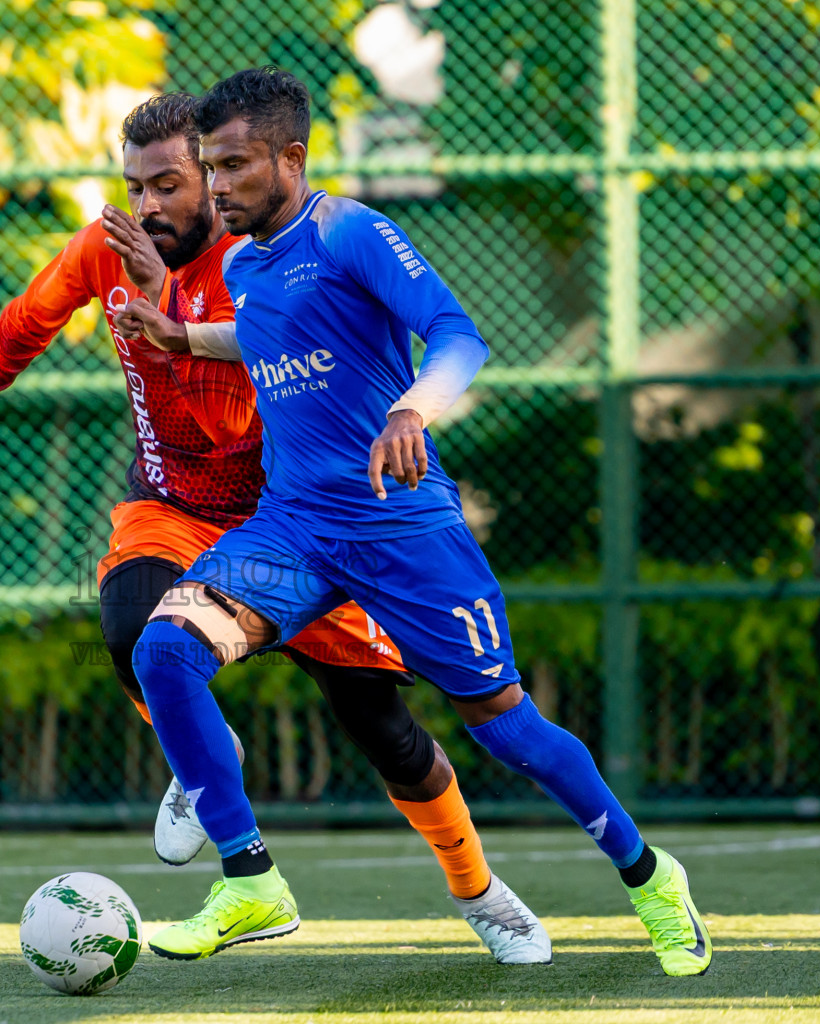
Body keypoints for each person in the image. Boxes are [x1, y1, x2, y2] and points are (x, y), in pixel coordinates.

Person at [0, 93, 551, 964]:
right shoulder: (107, 250)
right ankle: (213, 791)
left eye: (172, 184)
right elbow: (25, 324)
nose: (149, 206)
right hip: (173, 506)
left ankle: (482, 894)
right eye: (135, 186)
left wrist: (168, 311)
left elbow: (228, 426)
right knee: (130, 630)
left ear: (217, 182)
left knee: (386, 732)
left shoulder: (264, 267)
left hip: (300, 521)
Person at [123, 68, 712, 975]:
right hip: (296, 529)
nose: (221, 184)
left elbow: (458, 333)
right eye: (211, 165)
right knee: (163, 652)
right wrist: (184, 338)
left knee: (509, 730)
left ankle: (648, 875)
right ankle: (251, 882)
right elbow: (271, 336)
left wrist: (413, 410)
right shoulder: (243, 263)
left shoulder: (349, 230)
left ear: (291, 156)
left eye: (235, 164)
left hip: (403, 529)